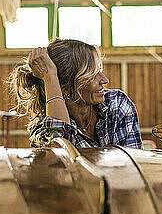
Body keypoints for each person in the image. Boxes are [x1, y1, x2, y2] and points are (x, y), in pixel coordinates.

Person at [9, 38, 143, 149]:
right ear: (66, 90)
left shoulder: (117, 104)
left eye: (100, 70)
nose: (104, 80)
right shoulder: (43, 129)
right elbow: (60, 155)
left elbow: (133, 164)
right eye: (92, 74)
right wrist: (50, 77)